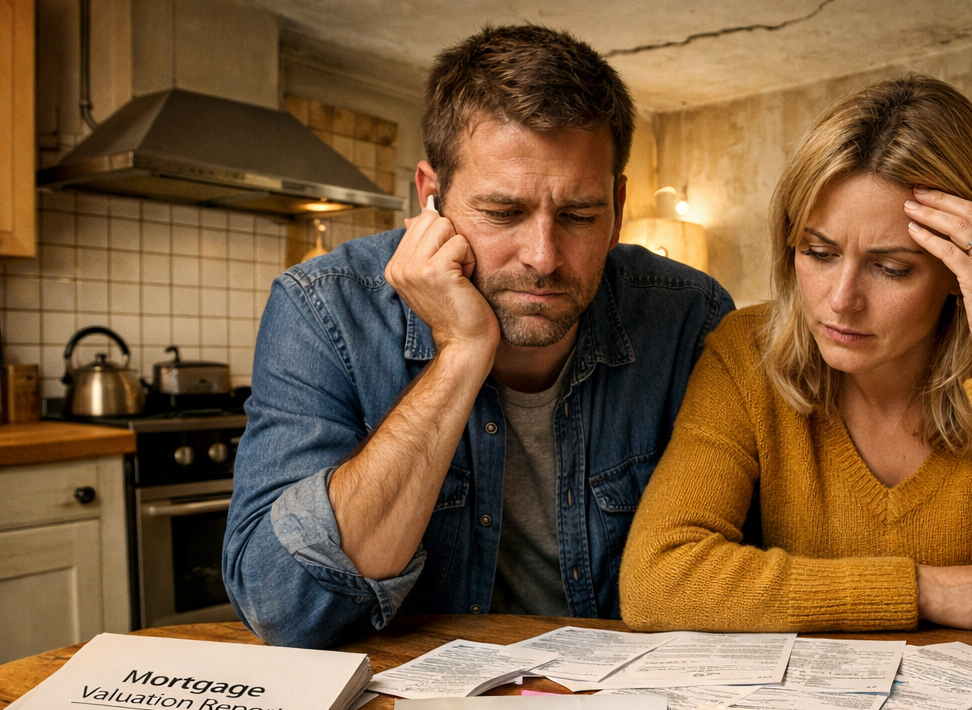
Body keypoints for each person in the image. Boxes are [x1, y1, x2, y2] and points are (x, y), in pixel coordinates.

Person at [618, 75, 972, 662]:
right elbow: (656, 581)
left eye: (892, 268)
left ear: (963, 271)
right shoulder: (746, 350)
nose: (841, 299)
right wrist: (926, 589)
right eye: (818, 254)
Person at [224, 26, 733, 648]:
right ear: (431, 198)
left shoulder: (690, 315)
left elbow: (739, 568)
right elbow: (284, 605)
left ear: (618, 208)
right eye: (503, 213)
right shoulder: (322, 308)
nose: (543, 257)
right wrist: (462, 354)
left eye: (579, 215)